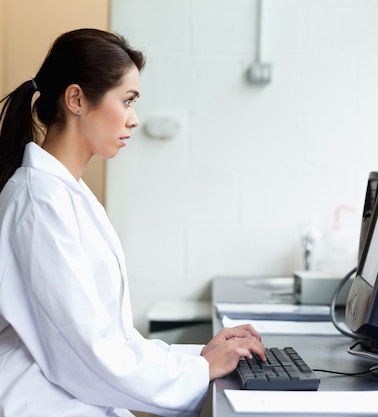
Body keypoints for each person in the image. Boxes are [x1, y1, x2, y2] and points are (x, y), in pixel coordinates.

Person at [0, 28, 266, 416]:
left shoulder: (65, 194)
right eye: (126, 101)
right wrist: (197, 369)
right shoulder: (39, 203)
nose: (134, 119)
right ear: (76, 99)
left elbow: (111, 340)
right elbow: (86, 353)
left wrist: (200, 356)